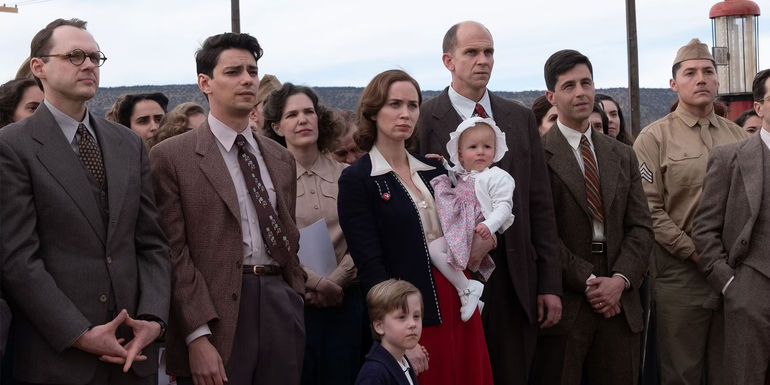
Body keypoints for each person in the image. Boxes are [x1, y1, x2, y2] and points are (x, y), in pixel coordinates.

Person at [0, 18, 170, 384]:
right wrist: (79, 333)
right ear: (38, 67)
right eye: (75, 55)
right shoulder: (13, 146)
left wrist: (154, 319)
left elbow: (151, 244)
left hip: (132, 354)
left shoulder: (128, 144)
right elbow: (18, 259)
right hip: (59, 360)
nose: (89, 64)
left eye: (95, 57)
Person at [150, 32, 306, 385]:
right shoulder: (171, 157)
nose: (248, 79)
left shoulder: (280, 158)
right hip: (216, 314)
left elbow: (287, 234)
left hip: (281, 303)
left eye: (252, 70)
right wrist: (196, 335)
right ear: (205, 83)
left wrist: (294, 296)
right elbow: (172, 253)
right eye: (234, 71)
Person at [417, 21, 562, 385]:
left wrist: (549, 283)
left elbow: (539, 205)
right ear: (448, 60)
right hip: (454, 282)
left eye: (489, 52)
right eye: (472, 52)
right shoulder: (422, 120)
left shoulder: (519, 117)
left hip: (516, 284)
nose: (483, 60)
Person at [338, 69, 494, 385]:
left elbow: (468, 222)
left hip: (458, 295)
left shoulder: (435, 168)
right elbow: (370, 266)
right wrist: (396, 334)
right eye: (395, 104)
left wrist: (484, 239)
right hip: (411, 308)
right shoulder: (357, 179)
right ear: (372, 111)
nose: (405, 113)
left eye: (412, 105)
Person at [531, 49, 653, 385]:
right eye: (568, 86)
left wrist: (619, 281)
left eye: (586, 82)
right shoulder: (537, 156)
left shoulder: (622, 154)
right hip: (567, 300)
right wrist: (589, 282)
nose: (581, 92)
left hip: (620, 299)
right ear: (551, 97)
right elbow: (541, 233)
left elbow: (641, 226)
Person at [633, 38, 748, 385]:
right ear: (674, 83)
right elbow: (649, 211)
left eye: (708, 72)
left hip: (734, 275)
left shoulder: (739, 137)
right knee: (680, 374)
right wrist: (695, 252)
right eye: (690, 73)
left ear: (717, 81)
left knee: (730, 371)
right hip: (681, 276)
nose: (701, 79)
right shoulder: (653, 139)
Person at [263, 83, 362, 385]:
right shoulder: (267, 181)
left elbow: (363, 239)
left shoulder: (349, 175)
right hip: (293, 303)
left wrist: (335, 282)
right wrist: (316, 283)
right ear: (277, 127)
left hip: (348, 300)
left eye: (309, 112)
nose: (303, 119)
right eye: (292, 115)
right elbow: (273, 243)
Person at [692, 68, 770, 385]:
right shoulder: (729, 158)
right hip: (749, 289)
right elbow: (704, 228)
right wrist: (730, 285)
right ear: (760, 106)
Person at [427, 117, 515, 322]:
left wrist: (488, 225)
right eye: (473, 147)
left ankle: (466, 289)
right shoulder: (464, 173)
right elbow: (454, 174)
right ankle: (468, 289)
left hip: (473, 228)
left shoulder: (497, 176)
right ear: (460, 154)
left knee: (435, 250)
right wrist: (441, 163)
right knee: (435, 250)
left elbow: (504, 206)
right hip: (459, 226)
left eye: (487, 146)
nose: (481, 151)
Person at [355, 280, 422, 385]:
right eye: (402, 317)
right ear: (379, 326)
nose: (412, 324)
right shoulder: (374, 374)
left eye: (416, 316)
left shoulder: (402, 361)